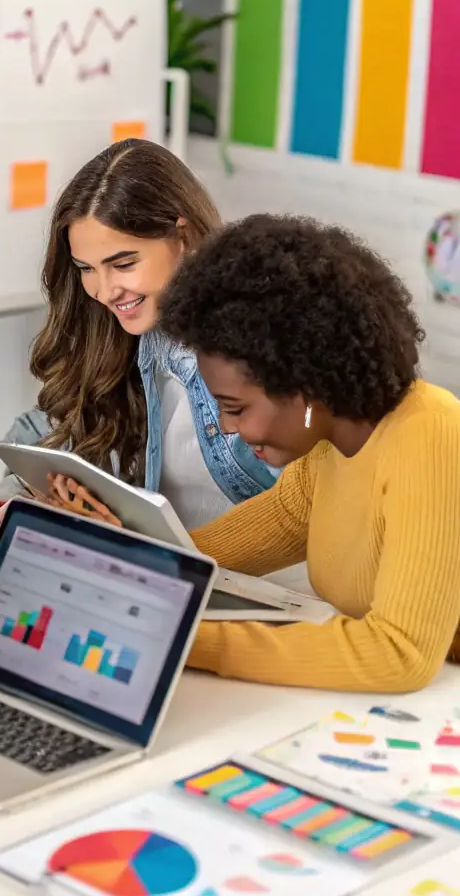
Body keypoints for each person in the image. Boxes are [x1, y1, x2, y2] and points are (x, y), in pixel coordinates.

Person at [158, 214, 460, 693]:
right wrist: (115, 548)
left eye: (235, 408)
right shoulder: (325, 453)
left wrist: (186, 643)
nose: (226, 427)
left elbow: (399, 654)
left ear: (304, 387)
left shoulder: (432, 434)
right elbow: (204, 556)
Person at [0, 139, 277, 527]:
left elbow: (299, 508)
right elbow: (42, 430)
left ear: (185, 238)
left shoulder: (264, 340)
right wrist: (16, 501)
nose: (104, 291)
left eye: (123, 264)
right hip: (157, 557)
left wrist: (132, 540)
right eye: (87, 268)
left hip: (241, 566)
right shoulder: (132, 332)